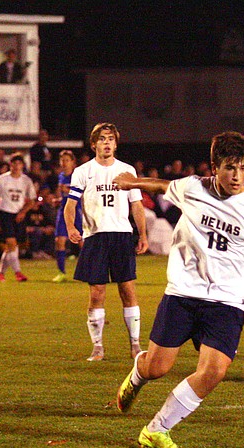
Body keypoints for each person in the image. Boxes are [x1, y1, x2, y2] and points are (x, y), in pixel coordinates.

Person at [113, 131, 244, 448]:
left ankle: (156, 429)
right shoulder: (193, 187)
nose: (237, 176)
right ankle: (138, 374)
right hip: (183, 294)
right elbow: (164, 185)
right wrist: (132, 182)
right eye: (230, 168)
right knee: (157, 368)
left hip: (228, 301)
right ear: (214, 167)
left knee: (214, 371)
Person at [64, 123, 148, 362]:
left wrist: (142, 234)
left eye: (111, 139)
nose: (107, 143)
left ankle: (135, 345)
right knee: (97, 293)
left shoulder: (126, 170)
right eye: (102, 139)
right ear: (94, 144)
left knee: (127, 290)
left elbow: (136, 204)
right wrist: (71, 227)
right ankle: (98, 347)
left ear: (116, 143)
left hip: (121, 235)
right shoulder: (83, 171)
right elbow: (71, 204)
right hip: (95, 236)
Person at [0, 153, 37, 282]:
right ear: (10, 165)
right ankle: (18, 272)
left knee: (12, 247)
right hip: (5, 213)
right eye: (13, 163)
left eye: (19, 164)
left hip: (18, 215)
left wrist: (23, 212)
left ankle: (0, 273)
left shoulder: (26, 180)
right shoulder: (1, 179)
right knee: (11, 243)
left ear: (22, 165)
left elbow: (32, 200)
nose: (16, 166)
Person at [52, 150, 79, 282]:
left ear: (73, 162)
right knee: (59, 241)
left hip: (77, 212)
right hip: (63, 211)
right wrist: (58, 200)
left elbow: (83, 194)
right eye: (62, 160)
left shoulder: (78, 176)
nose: (64, 163)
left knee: (83, 243)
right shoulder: (61, 176)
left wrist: (67, 190)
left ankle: (92, 270)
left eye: (67, 160)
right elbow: (64, 196)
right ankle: (61, 272)